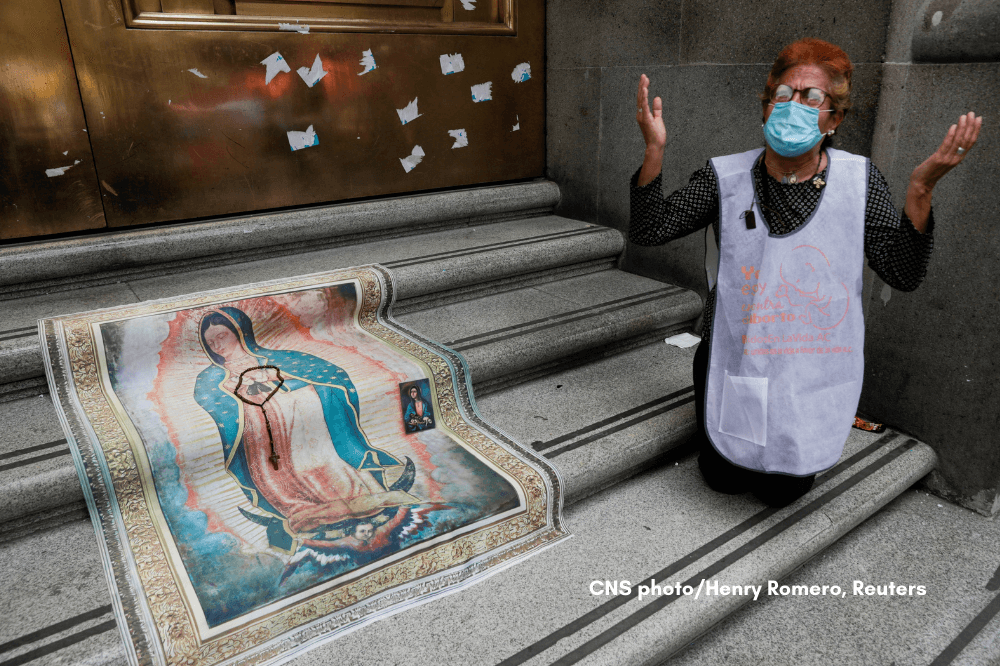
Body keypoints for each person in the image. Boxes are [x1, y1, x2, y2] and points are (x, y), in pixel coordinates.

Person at [630, 38, 981, 507]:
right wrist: (654, 151)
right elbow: (650, 229)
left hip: (807, 366)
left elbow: (902, 271)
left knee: (782, 491)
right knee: (724, 479)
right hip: (735, 358)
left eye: (812, 97)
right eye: (783, 95)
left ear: (833, 119)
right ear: (765, 109)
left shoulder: (858, 181)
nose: (794, 105)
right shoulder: (726, 177)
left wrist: (920, 190)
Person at [194, 307, 419, 552]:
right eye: (211, 342)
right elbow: (216, 404)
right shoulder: (210, 377)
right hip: (268, 436)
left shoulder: (282, 358)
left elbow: (327, 378)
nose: (218, 345)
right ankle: (302, 505)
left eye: (222, 336)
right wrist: (240, 392)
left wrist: (277, 379)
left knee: (315, 412)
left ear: (238, 332)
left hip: (306, 427)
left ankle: (349, 494)